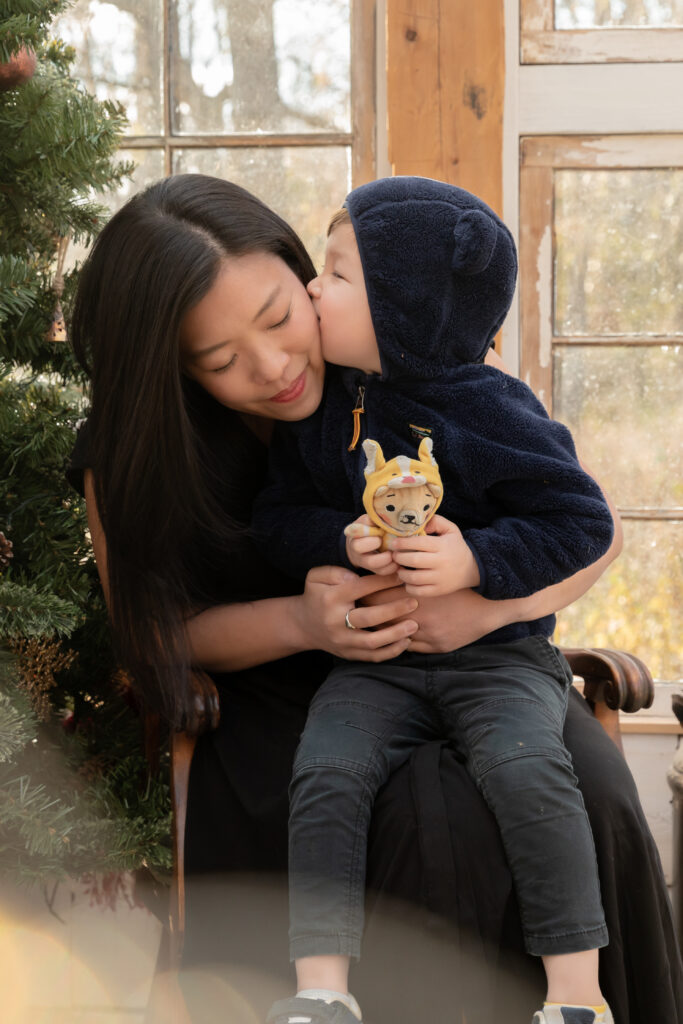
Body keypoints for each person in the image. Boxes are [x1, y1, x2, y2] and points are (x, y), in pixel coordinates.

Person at [66, 174, 682, 1024]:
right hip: (280, 694)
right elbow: (157, 641)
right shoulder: (128, 453)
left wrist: (484, 609)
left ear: (311, 280)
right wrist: (301, 619)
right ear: (169, 368)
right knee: (426, 820)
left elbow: (590, 527)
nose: (275, 367)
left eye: (284, 318)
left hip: (476, 652)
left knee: (594, 792)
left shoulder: (408, 365)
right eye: (219, 362)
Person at [254, 178, 615, 1024]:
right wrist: (336, 539)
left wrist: (475, 563)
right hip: (378, 664)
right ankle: (322, 990)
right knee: (327, 769)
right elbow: (274, 522)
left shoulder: (494, 409)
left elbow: (581, 521)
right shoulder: (324, 412)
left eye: (336, 275)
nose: (313, 286)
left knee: (529, 772)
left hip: (498, 660)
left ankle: (575, 995)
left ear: (404, 310)